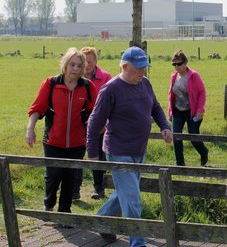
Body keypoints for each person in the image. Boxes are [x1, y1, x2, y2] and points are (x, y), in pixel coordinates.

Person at [86, 46, 173, 246]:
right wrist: (92, 154)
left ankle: (101, 220)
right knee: (133, 198)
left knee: (123, 194)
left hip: (139, 150)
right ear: (125, 66)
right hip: (119, 151)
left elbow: (156, 107)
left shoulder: (145, 84)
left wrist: (164, 127)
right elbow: (94, 123)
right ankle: (138, 243)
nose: (143, 71)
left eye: (145, 67)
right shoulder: (111, 89)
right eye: (139, 67)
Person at [26, 47, 98, 214]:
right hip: (53, 141)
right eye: (72, 64)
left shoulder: (87, 87)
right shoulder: (51, 84)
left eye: (79, 66)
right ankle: (48, 204)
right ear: (65, 65)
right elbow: (37, 108)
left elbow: (95, 112)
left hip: (77, 142)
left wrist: (100, 127)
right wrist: (30, 129)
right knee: (53, 174)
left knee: (70, 177)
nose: (75, 69)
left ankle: (65, 212)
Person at [72, 46, 112, 201]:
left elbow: (111, 102)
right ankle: (75, 190)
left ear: (96, 61)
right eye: (85, 61)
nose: (87, 64)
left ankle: (99, 188)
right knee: (78, 156)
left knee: (98, 156)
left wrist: (106, 123)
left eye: (90, 61)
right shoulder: (76, 77)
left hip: (99, 123)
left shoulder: (106, 77)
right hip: (79, 122)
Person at [168, 50, 209, 166]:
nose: (176, 67)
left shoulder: (194, 76)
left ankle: (203, 151)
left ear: (185, 63)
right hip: (177, 111)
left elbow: (202, 93)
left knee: (193, 136)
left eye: (179, 64)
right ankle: (180, 164)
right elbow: (170, 94)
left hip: (192, 112)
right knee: (176, 137)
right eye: (174, 64)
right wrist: (170, 111)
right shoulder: (174, 77)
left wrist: (200, 110)